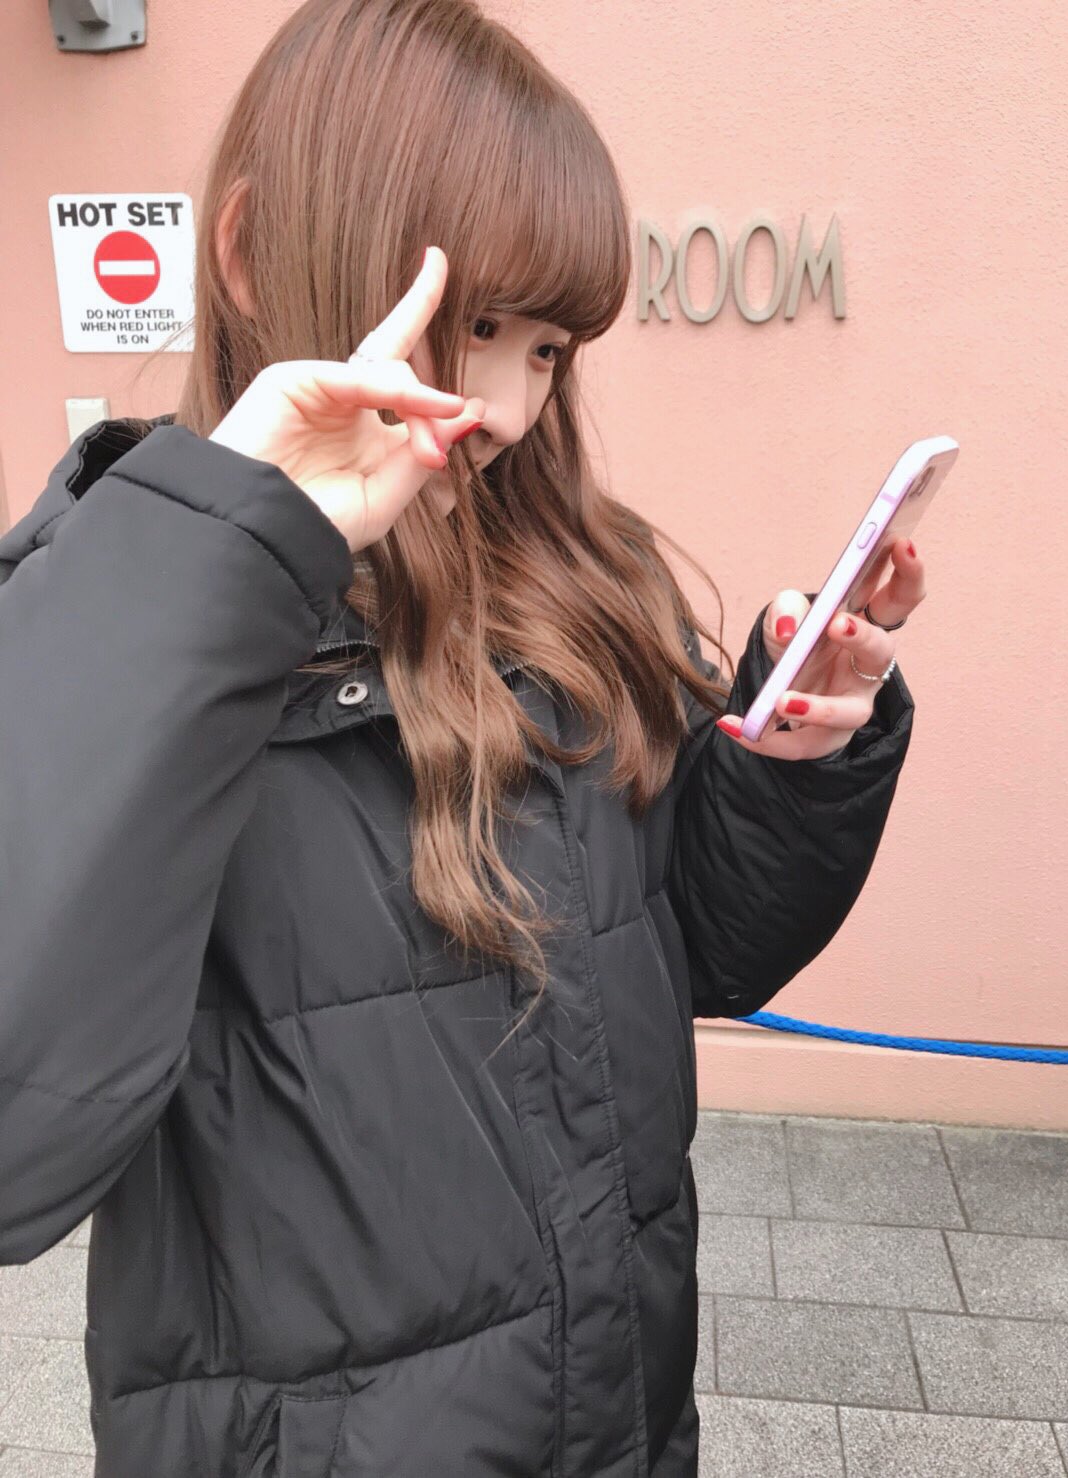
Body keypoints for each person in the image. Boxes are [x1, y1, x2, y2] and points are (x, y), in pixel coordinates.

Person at [0, 1, 921, 1472]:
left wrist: (788, 762)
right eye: (475, 326)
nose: (505, 406)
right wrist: (224, 569)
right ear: (252, 258)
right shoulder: (113, 627)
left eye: (547, 348)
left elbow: (700, 951)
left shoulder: (581, 583)